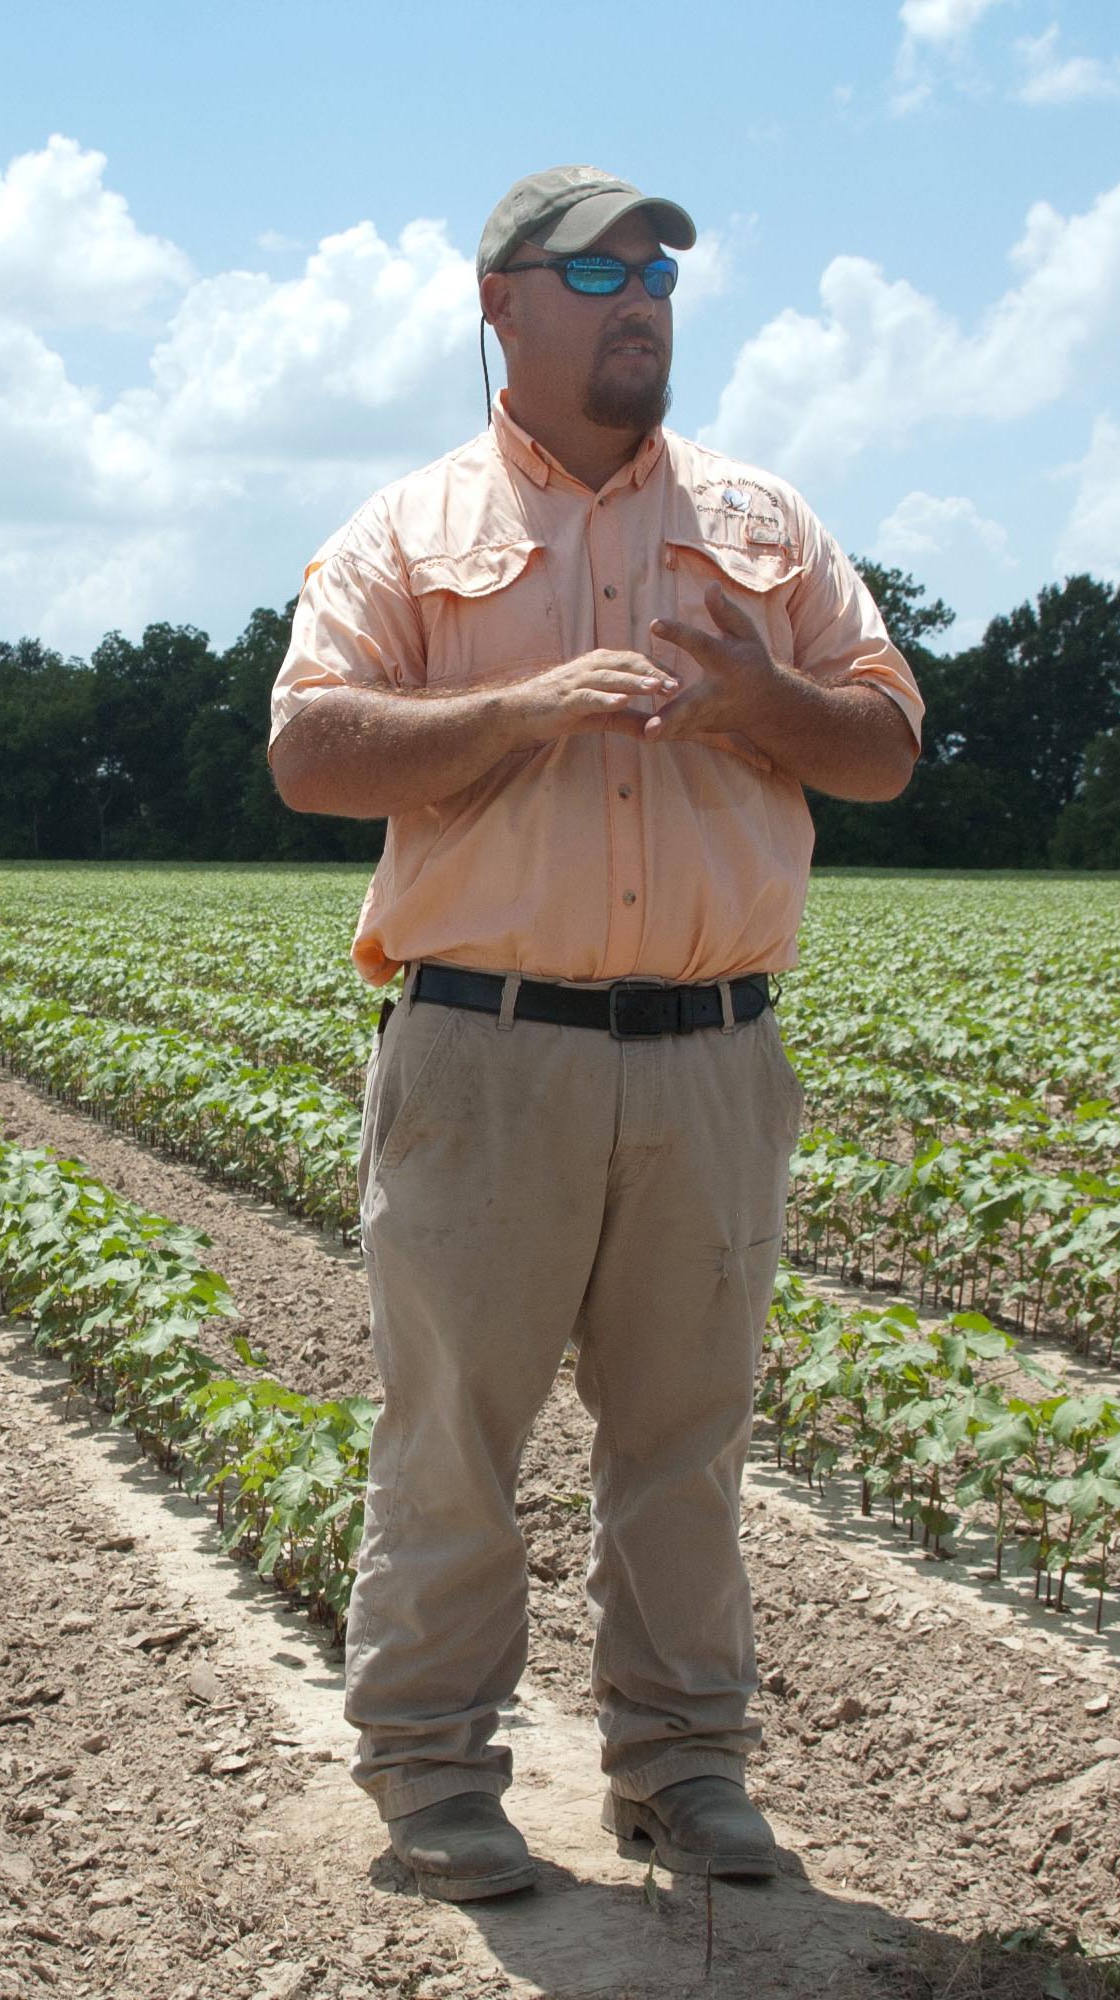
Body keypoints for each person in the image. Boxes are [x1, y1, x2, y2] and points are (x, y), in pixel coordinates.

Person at [265, 165, 923, 1902]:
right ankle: (432, 1782)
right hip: (489, 1051)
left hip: (713, 1055)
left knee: (684, 1443)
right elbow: (312, 756)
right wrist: (521, 709)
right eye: (599, 269)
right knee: (455, 1439)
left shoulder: (766, 524)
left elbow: (881, 745)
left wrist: (760, 703)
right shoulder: (404, 532)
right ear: (500, 302)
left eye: (660, 273)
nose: (642, 296)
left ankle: (685, 1775)